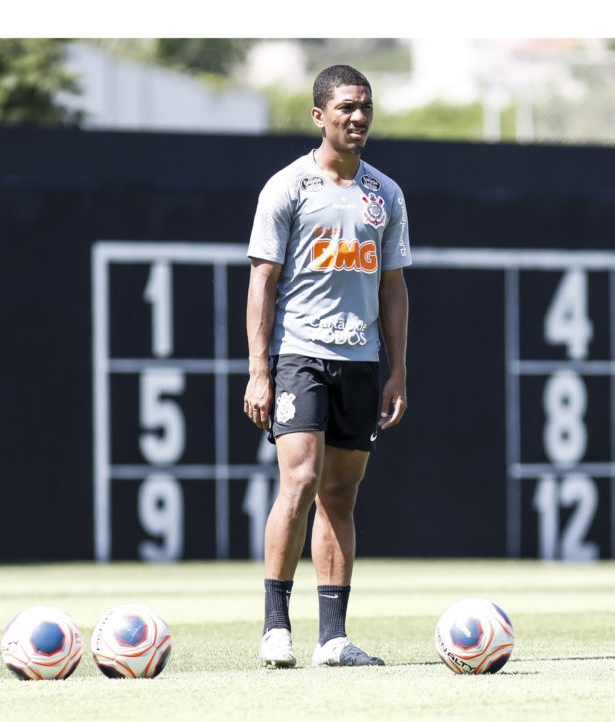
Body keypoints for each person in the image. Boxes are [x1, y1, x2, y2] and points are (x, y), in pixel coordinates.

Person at [243, 64, 410, 668]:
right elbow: (263, 281)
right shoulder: (287, 188)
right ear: (319, 116)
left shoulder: (385, 194)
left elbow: (393, 286)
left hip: (361, 361)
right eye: (345, 107)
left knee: (341, 493)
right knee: (301, 480)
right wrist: (259, 370)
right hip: (300, 355)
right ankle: (275, 628)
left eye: (365, 107)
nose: (358, 117)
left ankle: (333, 639)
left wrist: (398, 370)